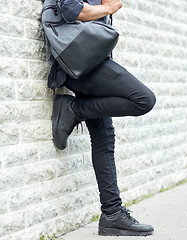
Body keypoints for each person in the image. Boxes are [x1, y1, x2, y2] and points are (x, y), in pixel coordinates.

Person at [49, 0, 157, 236]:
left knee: (104, 140)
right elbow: (71, 9)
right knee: (143, 99)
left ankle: (112, 215)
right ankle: (74, 109)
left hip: (86, 61)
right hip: (80, 63)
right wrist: (109, 7)